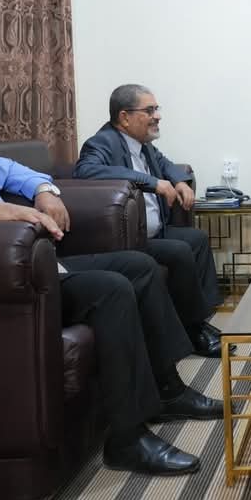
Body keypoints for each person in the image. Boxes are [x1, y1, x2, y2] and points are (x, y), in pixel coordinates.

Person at [0, 65, 225, 476]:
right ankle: (127, 439)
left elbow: (28, 174)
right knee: (110, 288)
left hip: (36, 268)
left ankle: (168, 390)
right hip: (0, 288)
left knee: (139, 265)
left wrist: (45, 192)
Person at [74, 84, 225, 358]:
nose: (158, 116)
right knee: (179, 251)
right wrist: (152, 182)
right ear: (124, 117)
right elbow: (86, 171)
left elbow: (165, 163)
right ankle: (194, 333)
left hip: (155, 230)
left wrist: (180, 181)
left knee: (198, 239)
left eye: (156, 109)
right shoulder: (102, 142)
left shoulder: (144, 145)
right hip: (128, 240)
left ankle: (201, 319)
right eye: (150, 110)